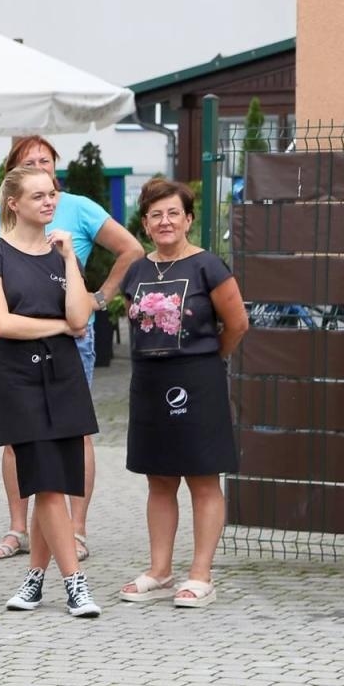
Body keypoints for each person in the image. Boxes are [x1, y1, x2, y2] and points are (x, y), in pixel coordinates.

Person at [0, 136, 144, 563]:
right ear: (14, 195)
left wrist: (97, 299)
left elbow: (128, 251)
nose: (46, 189)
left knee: (71, 436)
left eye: (45, 164)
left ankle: (75, 531)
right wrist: (63, 324)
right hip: (28, 343)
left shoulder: (75, 218)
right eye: (30, 166)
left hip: (69, 343)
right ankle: (20, 530)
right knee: (21, 441)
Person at [0, 167, 101, 618]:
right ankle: (75, 584)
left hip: (63, 374)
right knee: (46, 483)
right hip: (18, 378)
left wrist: (68, 260)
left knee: (58, 480)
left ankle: (33, 579)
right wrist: (60, 328)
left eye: (52, 195)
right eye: (38, 196)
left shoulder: (61, 254)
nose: (49, 203)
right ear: (14, 203)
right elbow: (2, 323)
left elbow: (80, 317)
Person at [117, 180, 248, 608]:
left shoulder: (209, 266)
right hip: (149, 383)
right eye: (156, 214)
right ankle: (159, 570)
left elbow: (237, 323)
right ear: (145, 224)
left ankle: (201, 575)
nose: (165, 221)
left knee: (203, 477)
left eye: (173, 213)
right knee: (159, 479)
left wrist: (208, 360)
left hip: (198, 381)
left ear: (188, 219)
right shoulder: (136, 270)